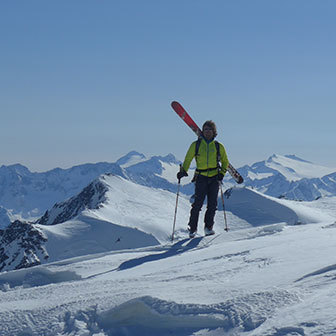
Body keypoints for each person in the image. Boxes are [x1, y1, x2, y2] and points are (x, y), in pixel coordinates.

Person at [177, 120, 229, 238]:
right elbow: (188, 159)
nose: (207, 132)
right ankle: (193, 228)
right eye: (205, 130)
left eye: (210, 130)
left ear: (214, 132)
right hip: (201, 177)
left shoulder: (218, 146)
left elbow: (225, 161)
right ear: (202, 131)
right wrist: (183, 171)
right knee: (197, 204)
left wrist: (222, 174)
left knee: (212, 205)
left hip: (214, 177)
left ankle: (208, 227)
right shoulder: (195, 145)